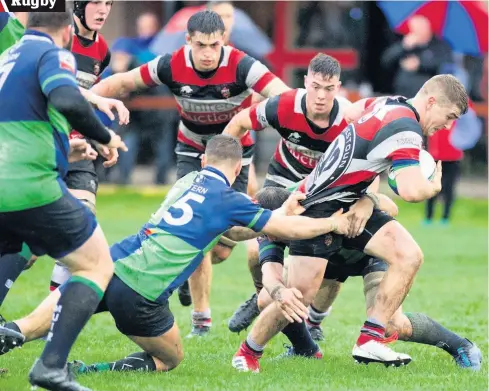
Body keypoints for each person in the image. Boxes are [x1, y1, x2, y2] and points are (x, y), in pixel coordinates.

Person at [0, 135, 353, 376]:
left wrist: (273, 219)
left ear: (203, 160)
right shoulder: (228, 199)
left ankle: (13, 332)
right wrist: (331, 224)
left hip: (110, 264)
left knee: (30, 326)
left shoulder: (186, 183)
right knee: (171, 358)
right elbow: (286, 230)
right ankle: (93, 371)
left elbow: (229, 231)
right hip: (143, 294)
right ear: (236, 170)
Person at [232, 74, 469, 372]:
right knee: (300, 295)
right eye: (449, 117)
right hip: (321, 208)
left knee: (408, 254)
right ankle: (248, 353)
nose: (447, 126)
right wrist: (432, 186)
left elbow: (352, 113)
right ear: (432, 102)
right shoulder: (407, 128)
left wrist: (365, 182)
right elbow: (410, 191)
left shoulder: (391, 104)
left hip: (350, 203)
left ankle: (370, 340)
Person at [90, 10, 291, 337]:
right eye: (201, 46)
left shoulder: (243, 65)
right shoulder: (170, 64)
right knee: (193, 233)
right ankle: (201, 320)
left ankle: (186, 274)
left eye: (215, 45)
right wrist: (84, 97)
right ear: (188, 42)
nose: (208, 53)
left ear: (224, 40)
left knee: (222, 248)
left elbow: (283, 96)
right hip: (192, 152)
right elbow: (124, 82)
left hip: (232, 155)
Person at [0, 11, 127, 391]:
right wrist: (104, 136)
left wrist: (62, 150)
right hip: (29, 187)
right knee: (95, 265)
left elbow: (22, 120)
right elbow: (67, 98)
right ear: (69, 31)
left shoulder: (6, 57)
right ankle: (51, 366)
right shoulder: (53, 52)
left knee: (19, 247)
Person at [250, 187, 481, 371]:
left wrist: (368, 201)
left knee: (392, 325)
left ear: (290, 211)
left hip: (369, 255)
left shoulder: (317, 200)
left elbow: (391, 206)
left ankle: (461, 346)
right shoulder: (268, 226)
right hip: (324, 259)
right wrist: (278, 292)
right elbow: (271, 274)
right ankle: (305, 349)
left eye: (269, 226)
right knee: (267, 299)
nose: (265, 233)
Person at [224, 53, 353, 335]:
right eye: (315, 86)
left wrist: (362, 203)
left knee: (330, 263)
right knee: (254, 254)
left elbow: (367, 165)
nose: (320, 95)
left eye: (328, 89)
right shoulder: (283, 105)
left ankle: (314, 323)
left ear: (338, 88)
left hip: (324, 193)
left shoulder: (349, 121)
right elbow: (238, 123)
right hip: (280, 183)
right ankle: (262, 297)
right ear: (305, 81)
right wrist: (225, 170)